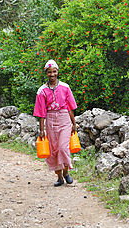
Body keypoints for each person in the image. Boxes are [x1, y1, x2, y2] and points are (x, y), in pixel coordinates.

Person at [33, 59, 77, 187]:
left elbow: (69, 107)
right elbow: (41, 113)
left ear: (58, 72)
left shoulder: (65, 87)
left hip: (64, 119)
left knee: (63, 148)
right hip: (50, 120)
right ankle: (59, 177)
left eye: (54, 71)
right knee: (54, 150)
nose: (52, 74)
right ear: (46, 73)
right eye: (49, 72)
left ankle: (66, 172)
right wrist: (42, 130)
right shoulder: (41, 91)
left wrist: (74, 123)